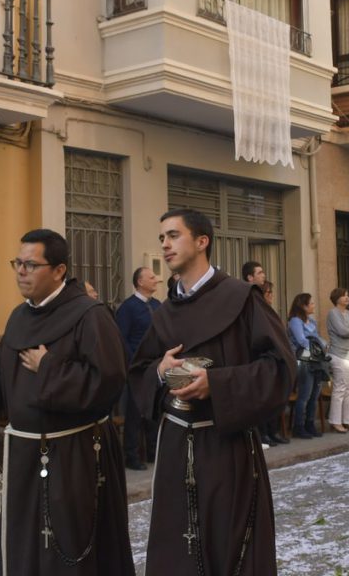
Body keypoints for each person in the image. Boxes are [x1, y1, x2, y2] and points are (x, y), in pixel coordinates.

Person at [0, 229, 134, 575]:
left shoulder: (90, 315)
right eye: (18, 263)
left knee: (68, 547)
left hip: (75, 456)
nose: (21, 271)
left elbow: (109, 382)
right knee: (28, 545)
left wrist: (49, 367)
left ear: (58, 270)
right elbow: (6, 377)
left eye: (31, 264)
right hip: (25, 457)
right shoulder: (19, 316)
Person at [129, 209, 295, 575]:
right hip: (174, 448)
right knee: (178, 547)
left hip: (226, 449)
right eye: (161, 238)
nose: (165, 245)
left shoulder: (242, 298)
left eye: (173, 235)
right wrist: (159, 371)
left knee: (228, 547)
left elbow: (281, 368)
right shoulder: (165, 311)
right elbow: (139, 371)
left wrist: (217, 385)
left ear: (202, 241)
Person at [115, 267, 162, 471]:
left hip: (156, 366)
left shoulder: (157, 305)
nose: (156, 280)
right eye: (151, 277)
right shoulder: (128, 307)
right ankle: (131, 455)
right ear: (140, 282)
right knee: (134, 413)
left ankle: (153, 451)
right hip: (136, 367)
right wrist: (133, 361)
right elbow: (121, 338)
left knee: (153, 410)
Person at [244, 261, 289, 446]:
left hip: (272, 356)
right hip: (256, 356)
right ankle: (261, 434)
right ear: (250, 277)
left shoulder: (263, 304)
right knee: (260, 399)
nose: (264, 275)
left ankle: (272, 431)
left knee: (272, 398)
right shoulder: (247, 299)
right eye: (260, 272)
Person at [288, 293, 326, 439]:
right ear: (303, 306)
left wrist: (323, 345)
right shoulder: (295, 321)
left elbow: (317, 337)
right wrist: (319, 346)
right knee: (305, 395)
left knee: (314, 395)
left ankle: (310, 423)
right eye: (311, 303)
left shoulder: (311, 321)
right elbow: (302, 341)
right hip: (304, 361)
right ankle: (299, 426)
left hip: (316, 360)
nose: (313, 305)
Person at [326, 288, 349, 433]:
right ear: (336, 298)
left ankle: (348, 420)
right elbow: (343, 331)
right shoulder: (333, 313)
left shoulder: (348, 313)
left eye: (347, 295)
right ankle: (335, 421)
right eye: (343, 295)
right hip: (338, 355)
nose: (347, 298)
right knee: (340, 389)